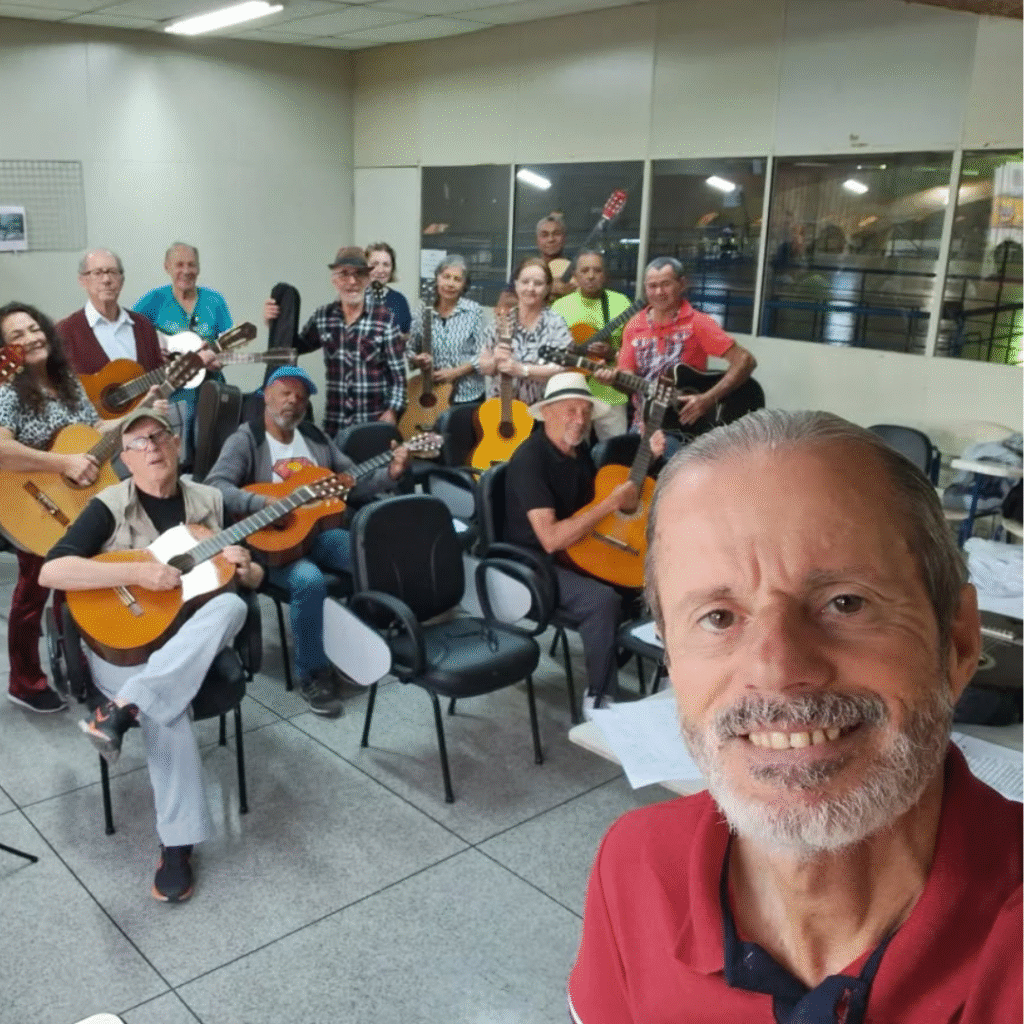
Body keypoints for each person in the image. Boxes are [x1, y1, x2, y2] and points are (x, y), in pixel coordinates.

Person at [568, 409, 1022, 1023]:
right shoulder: (635, 868)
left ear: (959, 642)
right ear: (671, 655)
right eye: (718, 617)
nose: (778, 669)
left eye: (845, 602)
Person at [40, 408, 263, 903]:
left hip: (192, 639)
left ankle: (123, 707)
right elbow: (51, 572)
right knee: (168, 706)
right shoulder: (108, 505)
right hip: (125, 644)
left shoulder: (208, 500)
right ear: (124, 459)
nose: (151, 448)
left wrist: (247, 569)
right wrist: (136, 573)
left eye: (158, 436)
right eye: (137, 443)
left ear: (176, 444)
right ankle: (177, 845)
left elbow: (251, 577)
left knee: (230, 605)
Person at [204, 366, 409, 715]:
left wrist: (391, 473)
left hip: (317, 534)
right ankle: (313, 673)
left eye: (300, 397)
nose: (293, 402)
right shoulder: (247, 439)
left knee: (365, 553)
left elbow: (352, 481)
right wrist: (263, 504)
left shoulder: (314, 436)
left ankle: (367, 640)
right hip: (271, 546)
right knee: (309, 580)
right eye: (286, 393)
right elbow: (215, 487)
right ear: (267, 395)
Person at [503, 372, 664, 718]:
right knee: (602, 600)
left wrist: (647, 459)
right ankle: (600, 698)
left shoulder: (578, 453)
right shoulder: (530, 460)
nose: (580, 419)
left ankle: (668, 671)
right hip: (534, 563)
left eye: (585, 412)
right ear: (547, 412)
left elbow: (598, 501)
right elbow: (551, 539)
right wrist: (611, 503)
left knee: (653, 571)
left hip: (578, 550)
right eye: (570, 410)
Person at [0, 302, 109, 713]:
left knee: (77, 587)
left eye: (34, 328)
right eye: (17, 335)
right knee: (32, 596)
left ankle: (80, 668)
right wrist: (62, 463)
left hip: (75, 504)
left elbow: (95, 430)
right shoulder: (7, 390)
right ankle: (24, 682)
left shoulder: (66, 382)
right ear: (5, 350)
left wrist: (142, 413)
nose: (31, 338)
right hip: (33, 507)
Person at [599, 256, 756, 432]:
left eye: (666, 284)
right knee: (607, 448)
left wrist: (708, 399)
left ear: (682, 284)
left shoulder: (697, 322)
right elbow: (627, 380)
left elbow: (745, 360)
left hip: (686, 427)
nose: (659, 292)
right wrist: (613, 380)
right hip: (643, 424)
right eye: (652, 286)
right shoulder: (634, 325)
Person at [263, 246, 405, 440]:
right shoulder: (323, 317)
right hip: (334, 426)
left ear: (368, 279)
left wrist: (392, 412)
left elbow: (398, 376)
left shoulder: (385, 319)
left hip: (373, 424)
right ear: (334, 279)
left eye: (359, 274)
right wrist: (274, 322)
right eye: (344, 274)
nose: (352, 281)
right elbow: (293, 348)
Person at [133, 242, 228, 462]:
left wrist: (219, 360)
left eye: (192, 265)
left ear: (199, 268)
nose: (186, 271)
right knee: (173, 457)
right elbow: (131, 335)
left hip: (209, 394)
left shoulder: (215, 301)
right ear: (167, 267)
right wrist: (153, 352)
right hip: (169, 397)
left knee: (208, 458)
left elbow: (227, 345)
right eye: (179, 265)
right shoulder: (153, 300)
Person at [407, 254, 485, 465]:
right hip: (432, 395)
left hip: (466, 396)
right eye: (446, 277)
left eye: (457, 279)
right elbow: (409, 349)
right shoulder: (423, 310)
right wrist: (417, 359)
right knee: (431, 455)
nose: (450, 284)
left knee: (461, 456)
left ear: (464, 284)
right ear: (437, 278)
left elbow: (483, 355)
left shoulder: (474, 311)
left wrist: (455, 372)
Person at [551, 250, 632, 440]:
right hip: (574, 392)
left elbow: (633, 350)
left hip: (611, 393)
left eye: (597, 270)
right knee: (572, 448)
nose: (590, 276)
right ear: (575, 275)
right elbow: (552, 350)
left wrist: (612, 353)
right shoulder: (560, 306)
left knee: (614, 450)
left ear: (605, 275)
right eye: (584, 270)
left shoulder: (621, 303)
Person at [478, 257, 572, 408]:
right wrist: (495, 360)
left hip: (540, 410)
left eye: (538, 283)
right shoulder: (502, 320)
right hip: (500, 410)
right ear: (516, 284)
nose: (530, 288)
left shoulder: (556, 323)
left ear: (547, 288)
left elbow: (561, 369)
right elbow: (483, 367)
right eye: (525, 282)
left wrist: (522, 370)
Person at [57, 248, 163, 376]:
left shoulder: (144, 326)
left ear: (122, 280)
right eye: (97, 273)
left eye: (113, 272)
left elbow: (159, 376)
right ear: (83, 281)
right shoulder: (65, 332)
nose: (106, 280)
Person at [365, 242, 412, 343]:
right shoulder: (353, 298)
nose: (380, 270)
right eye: (374, 264)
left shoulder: (399, 300)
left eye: (386, 265)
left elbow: (406, 335)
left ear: (392, 269)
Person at [535, 213, 575, 300]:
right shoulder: (526, 268)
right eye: (545, 235)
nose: (551, 239)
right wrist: (548, 289)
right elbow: (506, 299)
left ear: (564, 238)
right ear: (537, 240)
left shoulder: (576, 268)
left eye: (556, 234)